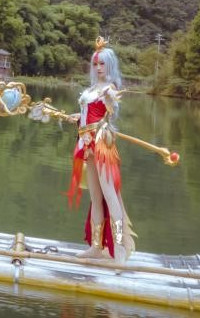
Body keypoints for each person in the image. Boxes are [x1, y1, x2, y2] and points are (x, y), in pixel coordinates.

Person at [67, 37, 135, 263]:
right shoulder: (91, 89)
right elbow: (89, 114)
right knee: (95, 197)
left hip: (102, 144)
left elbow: (110, 107)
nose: (98, 68)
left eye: (102, 63)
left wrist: (109, 100)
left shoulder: (109, 89)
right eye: (95, 64)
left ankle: (119, 247)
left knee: (110, 195)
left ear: (110, 65)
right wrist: (78, 117)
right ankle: (96, 246)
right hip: (86, 144)